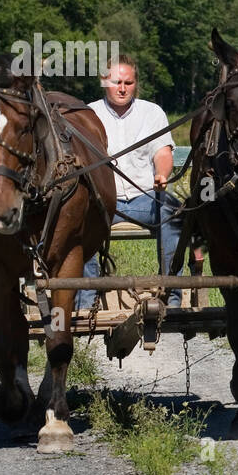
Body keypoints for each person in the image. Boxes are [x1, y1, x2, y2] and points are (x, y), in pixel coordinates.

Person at [76, 55, 183, 310]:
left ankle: (172, 296)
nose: (122, 88)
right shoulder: (87, 114)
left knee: (172, 210)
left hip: (145, 197)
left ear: (136, 84)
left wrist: (162, 174)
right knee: (79, 217)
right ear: (104, 82)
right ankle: (85, 302)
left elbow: (162, 152)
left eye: (128, 82)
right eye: (116, 82)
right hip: (105, 203)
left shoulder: (152, 112)